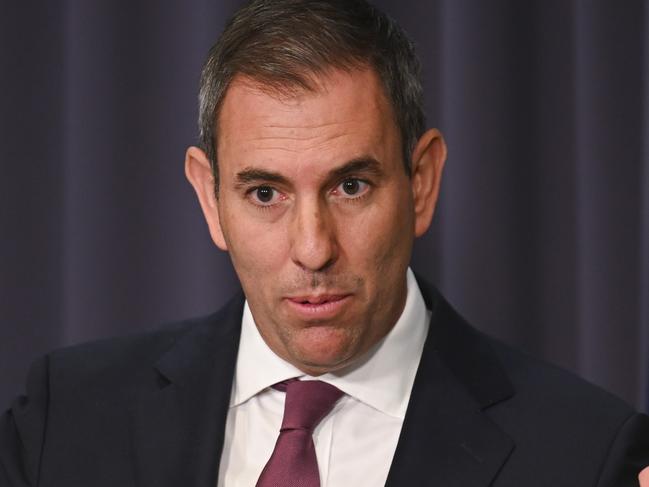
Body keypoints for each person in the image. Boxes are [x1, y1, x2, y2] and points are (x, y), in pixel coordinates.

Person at [1, 0, 648, 486]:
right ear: (209, 196)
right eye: (264, 193)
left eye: (350, 185)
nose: (313, 249)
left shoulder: (583, 454)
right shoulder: (66, 421)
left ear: (420, 181)